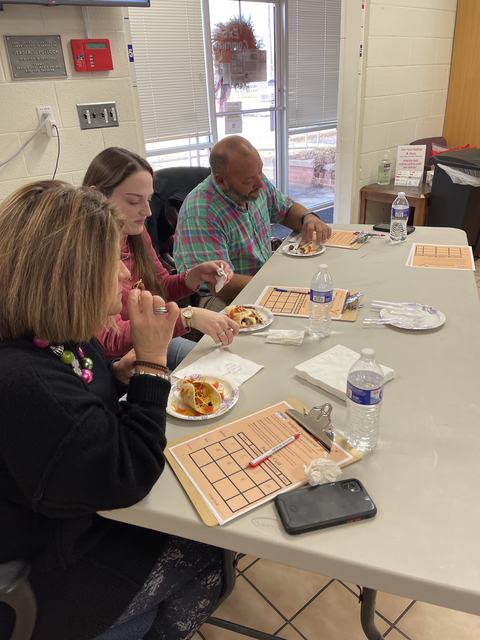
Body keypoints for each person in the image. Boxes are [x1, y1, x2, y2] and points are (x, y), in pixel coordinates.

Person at [0, 181, 225, 640]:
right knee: (210, 554)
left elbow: (85, 398)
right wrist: (150, 363)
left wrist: (121, 375)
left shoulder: (57, 337)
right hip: (51, 562)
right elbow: (130, 473)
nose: (126, 276)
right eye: (112, 263)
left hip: (71, 518)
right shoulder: (24, 380)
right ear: (71, 276)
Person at [83, 147, 239, 369]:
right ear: (96, 197)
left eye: (148, 199)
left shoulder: (135, 233)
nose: (147, 211)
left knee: (226, 364)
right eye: (134, 201)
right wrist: (186, 316)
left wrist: (193, 277)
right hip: (118, 360)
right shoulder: (86, 255)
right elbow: (109, 340)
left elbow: (160, 286)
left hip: (153, 338)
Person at [173, 135, 332, 310]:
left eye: (260, 172)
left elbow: (285, 210)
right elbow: (221, 284)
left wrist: (307, 218)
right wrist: (272, 283)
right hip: (216, 297)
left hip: (260, 275)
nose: (260, 183)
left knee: (320, 286)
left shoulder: (255, 183)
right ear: (221, 181)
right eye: (249, 180)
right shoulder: (201, 214)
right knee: (299, 314)